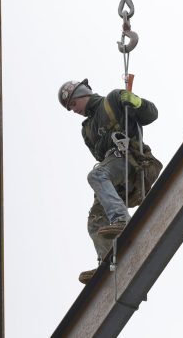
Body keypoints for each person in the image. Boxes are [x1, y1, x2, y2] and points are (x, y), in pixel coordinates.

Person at [58, 79, 162, 284]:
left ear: (80, 94)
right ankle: (107, 261)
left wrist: (135, 103)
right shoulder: (87, 130)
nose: (73, 110)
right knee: (95, 220)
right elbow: (100, 156)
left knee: (96, 175)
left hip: (132, 161)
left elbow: (152, 114)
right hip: (115, 169)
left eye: (72, 104)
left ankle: (122, 220)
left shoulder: (113, 100)